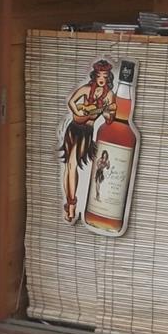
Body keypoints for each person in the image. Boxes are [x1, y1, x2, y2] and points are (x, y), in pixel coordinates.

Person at [61, 60, 115, 222]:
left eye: (104, 76)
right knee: (68, 166)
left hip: (86, 132)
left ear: (108, 77)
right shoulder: (86, 89)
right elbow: (71, 101)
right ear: (94, 76)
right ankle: (69, 202)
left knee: (72, 165)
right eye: (99, 75)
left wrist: (107, 113)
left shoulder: (109, 95)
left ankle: (72, 205)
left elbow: (110, 118)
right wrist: (79, 112)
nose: (101, 79)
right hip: (74, 127)